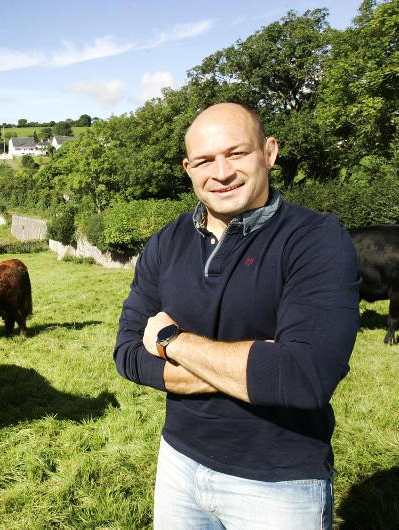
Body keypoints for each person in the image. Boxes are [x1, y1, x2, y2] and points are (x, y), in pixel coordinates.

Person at [113, 103, 360, 529]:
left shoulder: (315, 239)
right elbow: (127, 353)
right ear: (189, 169)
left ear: (269, 152)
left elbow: (304, 378)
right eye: (205, 160)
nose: (222, 172)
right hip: (178, 464)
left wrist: (173, 341)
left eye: (237, 153)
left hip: (279, 481)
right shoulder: (166, 242)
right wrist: (255, 368)